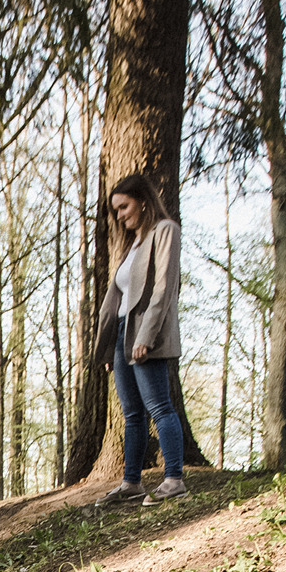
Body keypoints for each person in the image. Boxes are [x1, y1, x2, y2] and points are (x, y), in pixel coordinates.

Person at [93, 171, 186, 508]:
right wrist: (108, 347)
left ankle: (174, 479)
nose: (119, 215)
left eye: (123, 206)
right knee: (132, 413)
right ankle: (131, 483)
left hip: (145, 332)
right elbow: (118, 296)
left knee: (158, 406)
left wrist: (145, 336)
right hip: (121, 334)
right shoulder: (133, 243)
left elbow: (164, 288)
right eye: (116, 210)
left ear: (143, 201)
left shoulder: (166, 231)